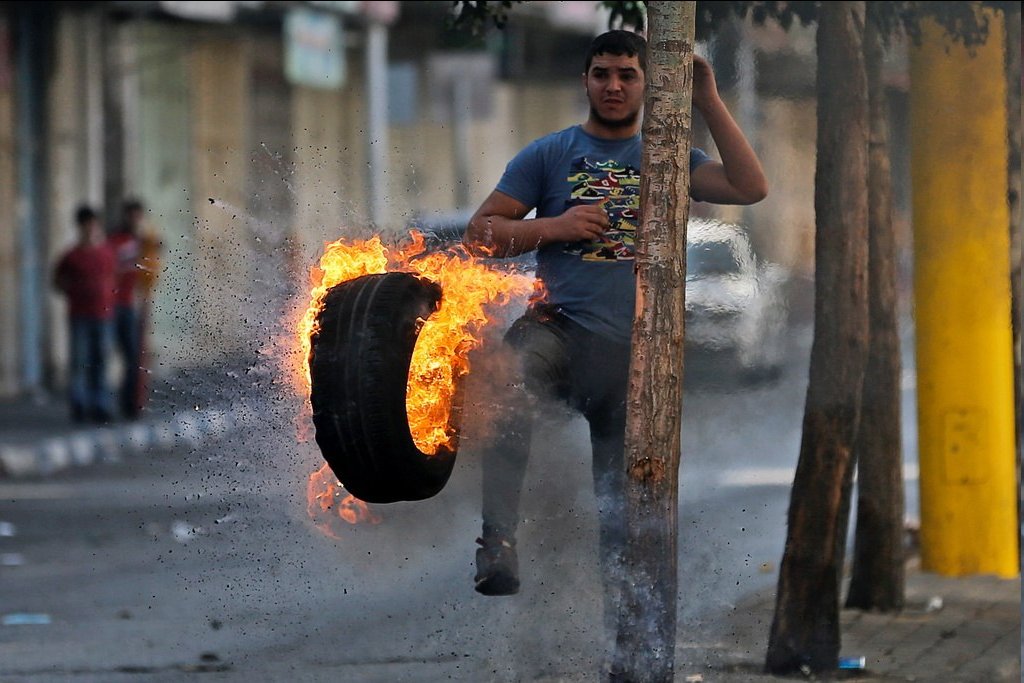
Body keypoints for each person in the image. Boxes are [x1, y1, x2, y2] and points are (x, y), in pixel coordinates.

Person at [463, 30, 767, 627]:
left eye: (628, 75)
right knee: (506, 383)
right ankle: (496, 543)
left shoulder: (669, 156)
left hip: (635, 354)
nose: (614, 85)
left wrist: (706, 99)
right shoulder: (548, 155)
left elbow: (750, 188)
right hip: (557, 330)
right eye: (602, 73)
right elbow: (481, 234)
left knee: (622, 509)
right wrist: (555, 226)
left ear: (648, 86)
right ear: (585, 80)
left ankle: (627, 636)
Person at [53, 205, 118, 423]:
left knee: (100, 361)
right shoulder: (71, 256)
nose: (90, 229)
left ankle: (100, 404)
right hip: (80, 315)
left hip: (104, 315)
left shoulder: (106, 252)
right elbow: (58, 282)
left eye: (93, 225)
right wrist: (75, 291)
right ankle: (79, 404)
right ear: (80, 227)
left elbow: (115, 278)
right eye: (86, 225)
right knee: (80, 361)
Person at [107, 199, 160, 419]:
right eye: (131, 216)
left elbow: (152, 270)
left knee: (136, 356)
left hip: (135, 303)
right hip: (112, 304)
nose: (134, 220)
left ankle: (133, 402)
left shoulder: (147, 241)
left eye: (137, 216)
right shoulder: (115, 239)